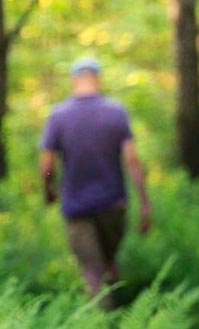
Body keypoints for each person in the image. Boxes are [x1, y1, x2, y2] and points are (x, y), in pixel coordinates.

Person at [40, 57, 151, 308]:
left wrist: (48, 190)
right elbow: (132, 161)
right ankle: (120, 319)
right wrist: (145, 204)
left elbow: (46, 166)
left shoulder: (58, 115)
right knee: (109, 263)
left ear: (73, 81)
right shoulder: (116, 111)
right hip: (113, 204)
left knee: (91, 272)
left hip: (77, 207)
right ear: (97, 79)